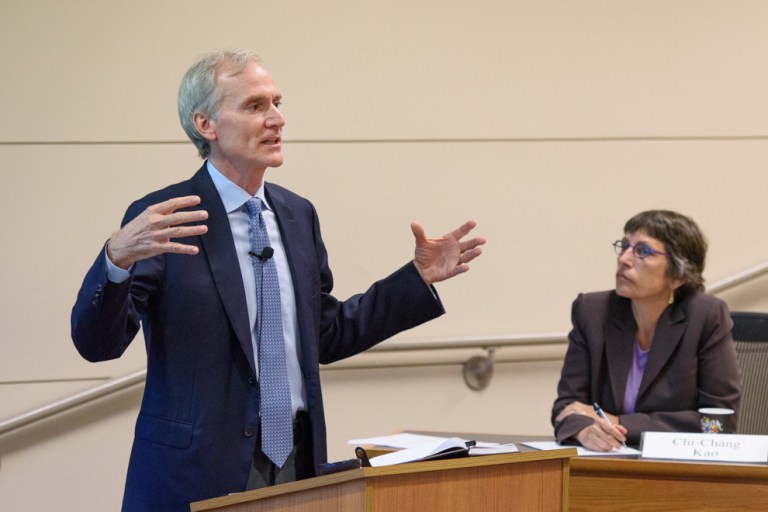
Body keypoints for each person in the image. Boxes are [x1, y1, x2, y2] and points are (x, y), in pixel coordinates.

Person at [71, 48, 486, 511]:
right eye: (255, 106)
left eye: (277, 102)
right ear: (205, 125)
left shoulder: (296, 214)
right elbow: (98, 344)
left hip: (295, 466)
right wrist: (116, 258)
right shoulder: (167, 217)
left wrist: (416, 279)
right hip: (194, 474)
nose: (277, 119)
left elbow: (325, 333)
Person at [551, 210, 741, 451]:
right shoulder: (592, 311)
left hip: (680, 470)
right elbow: (568, 406)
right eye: (624, 246)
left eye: (642, 251)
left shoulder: (705, 316)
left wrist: (620, 423)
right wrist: (585, 430)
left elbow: (718, 423)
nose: (624, 259)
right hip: (608, 461)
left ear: (678, 276)